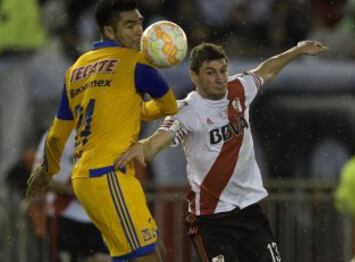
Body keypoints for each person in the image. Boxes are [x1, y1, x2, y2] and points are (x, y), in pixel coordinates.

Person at [114, 40, 328, 262]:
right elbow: (155, 143)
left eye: (223, 70)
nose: (220, 78)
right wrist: (138, 149)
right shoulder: (186, 111)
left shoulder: (240, 88)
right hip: (211, 221)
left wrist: (297, 50)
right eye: (210, 72)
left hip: (250, 212)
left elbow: (267, 70)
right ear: (194, 76)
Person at [26, 0, 178, 261]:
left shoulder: (76, 69)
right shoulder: (136, 63)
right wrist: (139, 110)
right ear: (108, 31)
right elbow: (169, 106)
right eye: (130, 25)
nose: (138, 31)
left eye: (140, 22)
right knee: (148, 258)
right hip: (109, 175)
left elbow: (58, 132)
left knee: (153, 252)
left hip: (90, 177)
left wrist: (46, 170)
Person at [32, 131, 110, 262]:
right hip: (64, 215)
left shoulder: (104, 132)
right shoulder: (56, 133)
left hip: (99, 217)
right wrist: (72, 191)